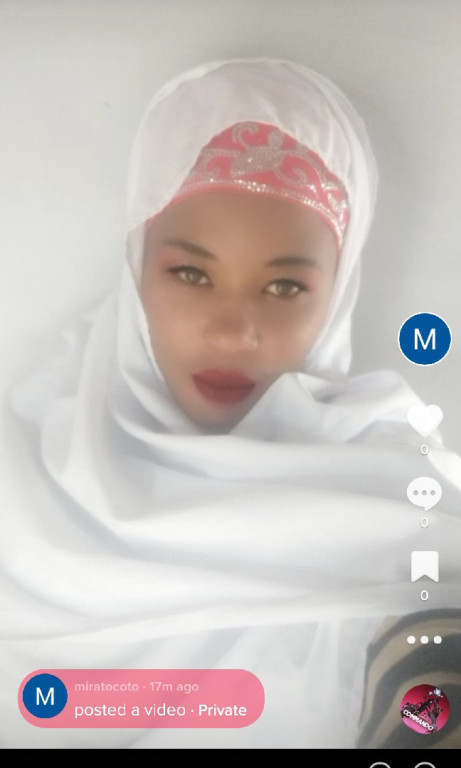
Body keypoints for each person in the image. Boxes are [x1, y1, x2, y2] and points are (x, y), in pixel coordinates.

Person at [1, 57, 461, 750]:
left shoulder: (395, 490)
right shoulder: (22, 471)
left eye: (284, 288)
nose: (231, 333)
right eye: (190, 273)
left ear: (337, 294)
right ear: (136, 265)